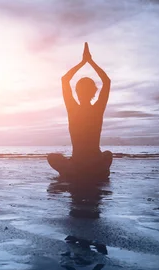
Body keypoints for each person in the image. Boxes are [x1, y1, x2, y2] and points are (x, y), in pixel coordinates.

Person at [48, 42, 113, 180]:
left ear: (76, 92)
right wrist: (90, 61)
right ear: (94, 92)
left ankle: (74, 171)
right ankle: (92, 172)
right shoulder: (97, 109)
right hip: (95, 164)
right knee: (108, 155)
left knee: (52, 158)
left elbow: (65, 80)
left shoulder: (73, 109)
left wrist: (83, 62)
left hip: (78, 164)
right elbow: (106, 81)